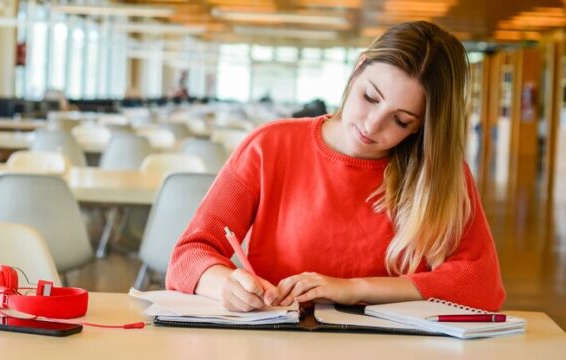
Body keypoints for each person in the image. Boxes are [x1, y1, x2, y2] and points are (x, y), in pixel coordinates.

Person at [166, 21, 506, 313]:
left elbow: (480, 285)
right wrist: (224, 284)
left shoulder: (439, 173)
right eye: (369, 97)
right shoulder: (270, 146)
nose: (372, 126)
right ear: (358, 68)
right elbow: (189, 256)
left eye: (401, 120)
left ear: (421, 126)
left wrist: (354, 288)